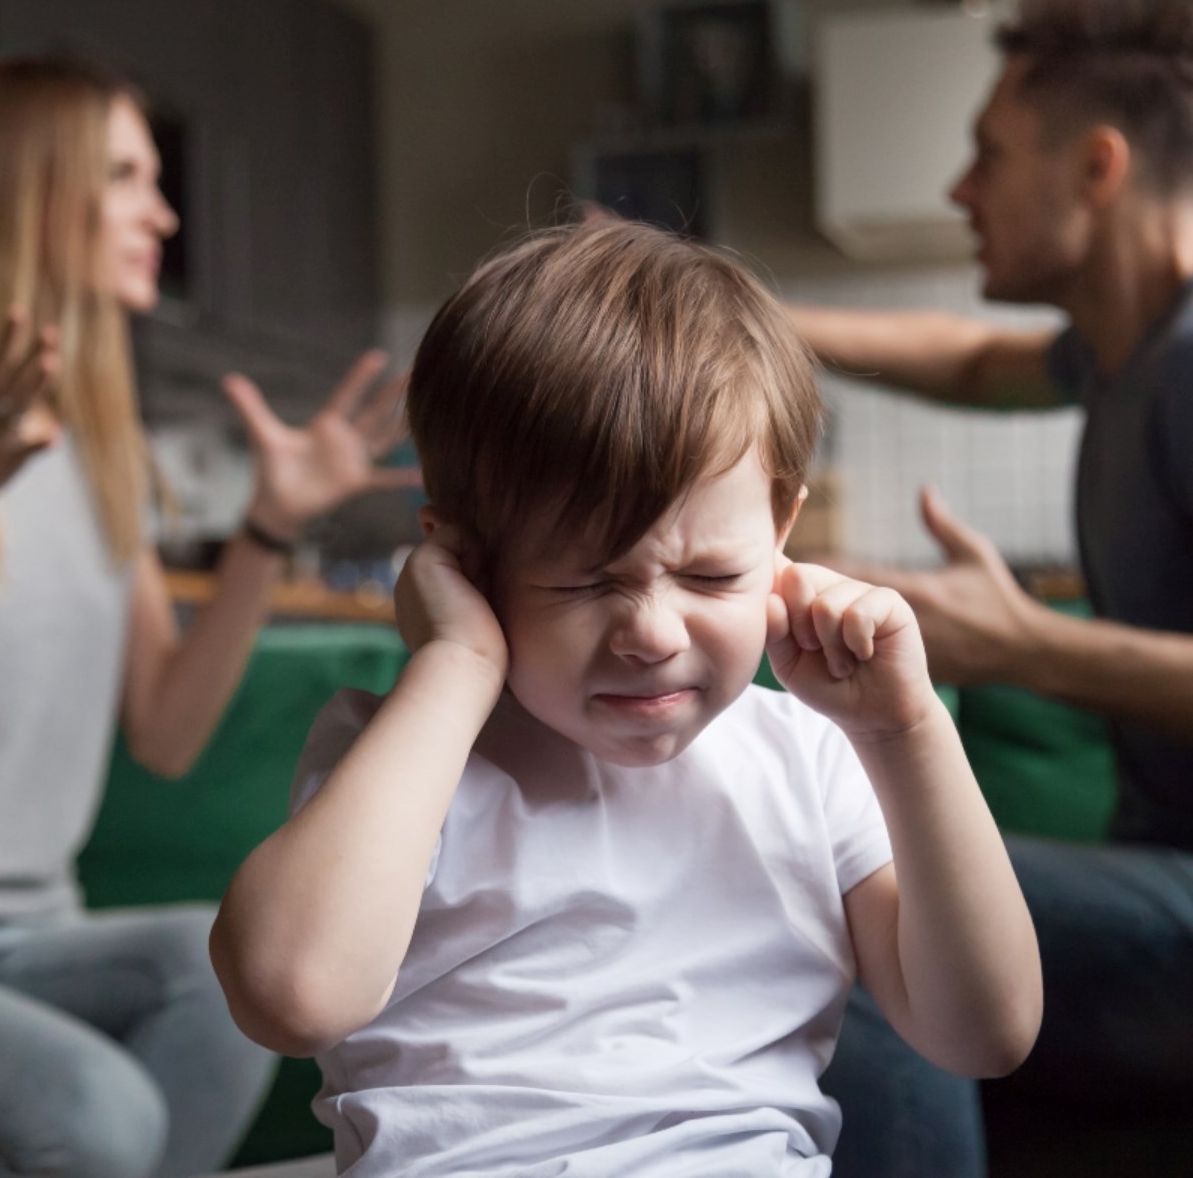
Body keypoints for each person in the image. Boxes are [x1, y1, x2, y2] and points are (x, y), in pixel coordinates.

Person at [209, 217, 1041, 1177]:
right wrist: (456, 666)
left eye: (712, 578)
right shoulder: (404, 758)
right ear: (463, 560)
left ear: (782, 530)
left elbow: (986, 1033)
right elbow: (288, 996)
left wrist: (906, 730)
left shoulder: (812, 759)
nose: (653, 632)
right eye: (584, 581)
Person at [785, 0, 1193, 1174]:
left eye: (989, 154)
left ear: (1098, 169)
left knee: (860, 900)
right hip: (1158, 877)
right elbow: (966, 355)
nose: (960, 190)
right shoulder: (1118, 353)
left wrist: (1019, 646)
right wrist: (731, 305)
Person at [0, 57, 418, 1177]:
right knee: (98, 1113)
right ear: (31, 185)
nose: (163, 212)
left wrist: (266, 533)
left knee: (212, 976)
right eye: (127, 175)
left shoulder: (99, 452)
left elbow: (167, 730)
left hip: (29, 933)